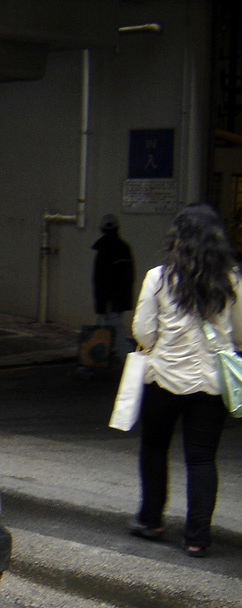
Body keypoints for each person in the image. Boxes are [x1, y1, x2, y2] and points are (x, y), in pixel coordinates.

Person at [128, 203, 242, 557]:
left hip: (163, 378)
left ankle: (151, 520)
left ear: (178, 237)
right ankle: (197, 537)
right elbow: (239, 332)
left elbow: (143, 332)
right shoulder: (233, 279)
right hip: (211, 385)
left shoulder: (159, 277)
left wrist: (162, 344)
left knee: (154, 447)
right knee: (202, 459)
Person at [92, 213, 136, 360]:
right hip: (119, 299)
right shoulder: (124, 248)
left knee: (116, 335)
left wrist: (102, 304)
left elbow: (100, 280)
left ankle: (132, 366)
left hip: (108, 301)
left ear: (101, 229)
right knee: (107, 331)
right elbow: (129, 276)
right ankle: (91, 364)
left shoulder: (103, 250)